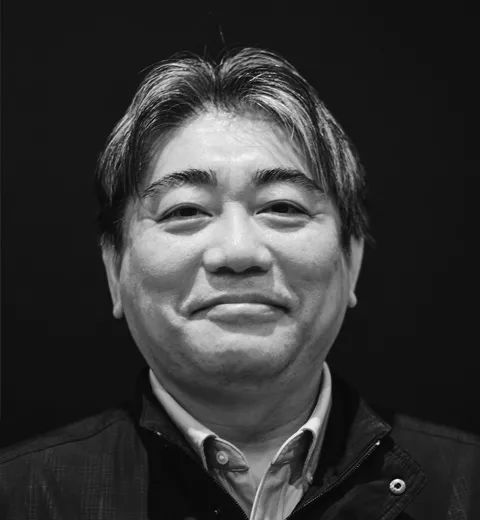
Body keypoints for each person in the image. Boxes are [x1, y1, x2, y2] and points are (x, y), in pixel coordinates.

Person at [1, 47, 479, 519]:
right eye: (185, 210)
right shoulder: (22, 496)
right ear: (114, 267)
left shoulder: (465, 487)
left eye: (283, 207)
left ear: (351, 259)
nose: (237, 252)